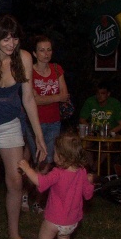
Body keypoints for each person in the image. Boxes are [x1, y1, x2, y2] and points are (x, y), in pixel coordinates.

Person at [0, 14, 46, 239]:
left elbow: (28, 99)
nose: (11, 44)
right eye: (6, 39)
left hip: (11, 123)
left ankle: (14, 233)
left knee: (16, 181)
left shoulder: (24, 58)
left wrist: (38, 136)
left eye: (15, 38)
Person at [17, 131, 94, 239]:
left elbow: (41, 182)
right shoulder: (82, 172)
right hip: (72, 221)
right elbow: (88, 195)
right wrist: (90, 183)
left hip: (55, 218)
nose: (54, 155)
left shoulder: (58, 173)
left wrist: (27, 169)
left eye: (56, 153)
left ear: (62, 157)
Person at [27, 35, 70, 165]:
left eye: (49, 49)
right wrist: (56, 97)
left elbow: (64, 95)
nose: (46, 53)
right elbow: (33, 100)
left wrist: (44, 98)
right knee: (38, 159)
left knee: (50, 159)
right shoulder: (29, 71)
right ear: (35, 53)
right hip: (35, 121)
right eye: (42, 50)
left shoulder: (57, 69)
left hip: (54, 121)